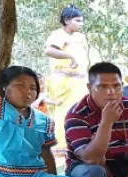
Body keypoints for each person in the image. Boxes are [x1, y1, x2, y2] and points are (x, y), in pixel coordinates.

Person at [44, 4, 89, 155]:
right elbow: (49, 50)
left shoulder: (80, 37)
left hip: (79, 81)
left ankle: (78, 143)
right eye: (78, 20)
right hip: (63, 80)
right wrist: (69, 56)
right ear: (67, 20)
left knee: (80, 110)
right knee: (64, 112)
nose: (81, 24)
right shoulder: (58, 35)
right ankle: (61, 149)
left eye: (82, 21)